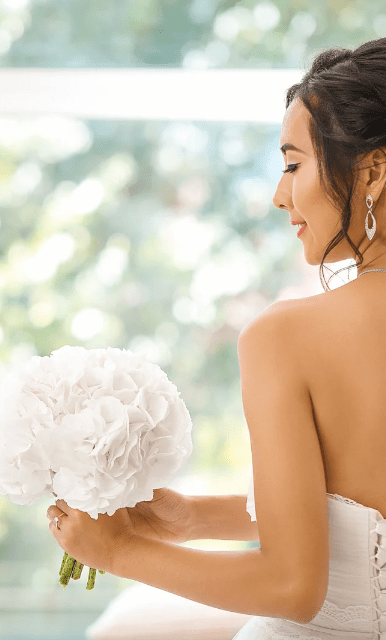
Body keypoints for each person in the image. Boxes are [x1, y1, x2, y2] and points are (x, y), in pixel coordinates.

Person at [47, 36, 386, 638]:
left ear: (374, 172)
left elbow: (292, 588)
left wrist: (117, 551)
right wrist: (191, 518)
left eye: (293, 163)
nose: (280, 195)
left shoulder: (286, 336)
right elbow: (363, 509)